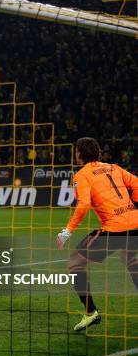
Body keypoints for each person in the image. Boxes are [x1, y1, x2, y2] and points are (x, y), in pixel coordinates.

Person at [56, 137, 137, 332]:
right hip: (135, 223)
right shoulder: (114, 168)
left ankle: (90, 312)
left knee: (74, 263)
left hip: (114, 229)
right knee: (131, 260)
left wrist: (67, 231)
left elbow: (83, 204)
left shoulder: (82, 175)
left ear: (79, 154)